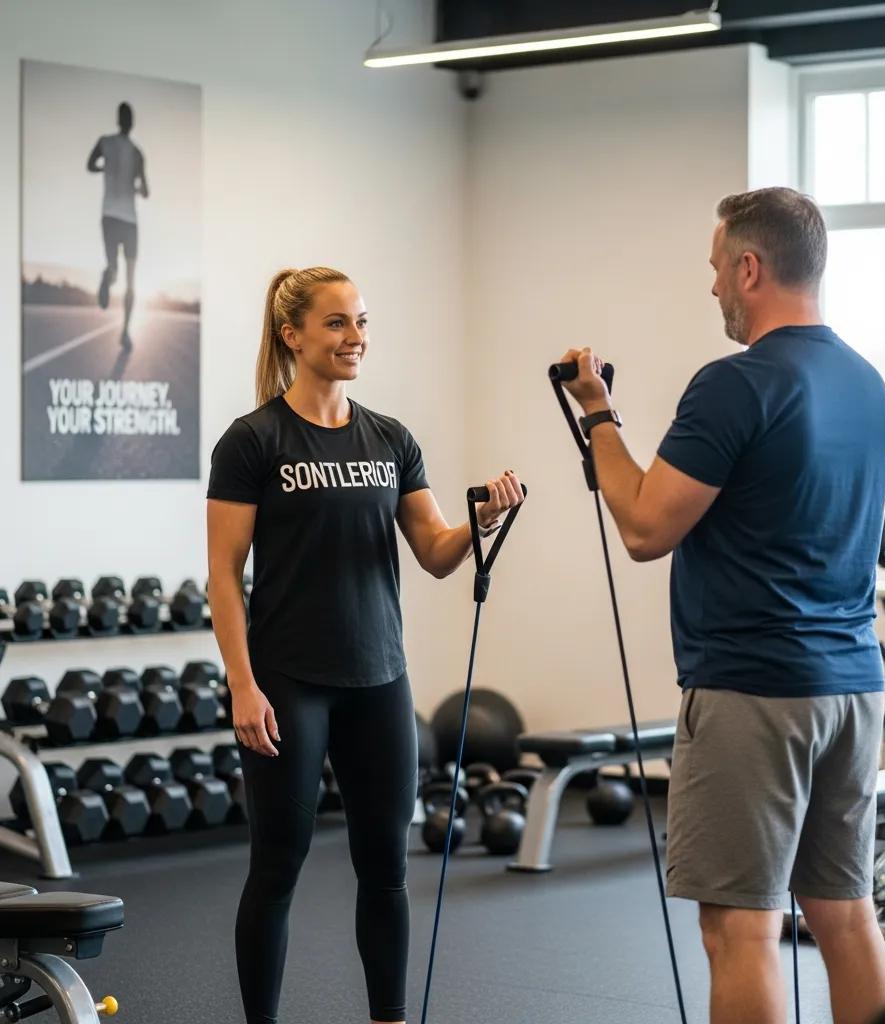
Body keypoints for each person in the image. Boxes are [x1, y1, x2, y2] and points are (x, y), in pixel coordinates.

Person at [556, 187, 885, 1024]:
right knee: (846, 915)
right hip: (853, 686)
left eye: (716, 269)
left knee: (740, 931)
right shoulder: (869, 385)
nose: (712, 287)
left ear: (750, 268)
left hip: (755, 692)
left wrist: (598, 415)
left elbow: (644, 526)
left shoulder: (736, 385)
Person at [206, 266, 523, 1024]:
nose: (357, 338)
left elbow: (437, 551)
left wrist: (483, 519)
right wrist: (241, 684)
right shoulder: (253, 442)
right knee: (278, 866)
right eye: (338, 323)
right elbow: (223, 575)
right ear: (293, 336)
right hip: (289, 681)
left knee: (384, 869)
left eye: (363, 322)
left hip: (380, 678)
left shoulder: (390, 439)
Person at [87, 101, 149, 349]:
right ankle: (125, 332)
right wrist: (134, 185)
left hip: (109, 216)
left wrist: (106, 167)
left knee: (114, 267)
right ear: (131, 123)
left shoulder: (104, 142)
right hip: (130, 221)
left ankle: (108, 274)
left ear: (117, 119)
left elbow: (90, 165)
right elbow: (145, 190)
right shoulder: (137, 153)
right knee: (131, 279)